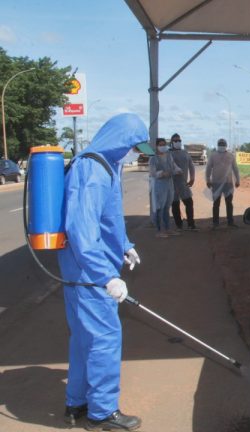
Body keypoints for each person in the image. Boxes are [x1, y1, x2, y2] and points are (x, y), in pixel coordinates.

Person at [58, 113, 152, 430]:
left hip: (83, 271)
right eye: (134, 148)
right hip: (88, 273)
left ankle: (76, 403)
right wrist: (106, 276)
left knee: (84, 340)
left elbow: (108, 218)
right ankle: (102, 413)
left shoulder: (107, 165)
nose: (135, 154)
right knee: (105, 340)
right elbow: (81, 230)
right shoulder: (93, 170)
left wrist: (124, 245)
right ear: (120, 141)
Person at [149, 137, 182, 238]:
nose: (163, 146)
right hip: (159, 186)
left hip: (169, 184)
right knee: (160, 208)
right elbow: (153, 173)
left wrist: (178, 170)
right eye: (161, 145)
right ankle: (159, 231)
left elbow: (174, 166)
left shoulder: (168, 156)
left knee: (167, 207)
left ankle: (167, 229)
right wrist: (162, 173)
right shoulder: (153, 158)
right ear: (156, 146)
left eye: (164, 144)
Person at [205, 138, 240, 229]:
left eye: (223, 144)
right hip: (216, 183)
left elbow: (235, 169)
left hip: (228, 183)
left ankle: (230, 221)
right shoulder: (213, 156)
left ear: (226, 145)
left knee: (229, 203)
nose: (222, 146)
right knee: (216, 204)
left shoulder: (231, 156)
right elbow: (208, 168)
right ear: (218, 145)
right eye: (220, 144)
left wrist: (238, 180)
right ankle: (215, 222)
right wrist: (208, 180)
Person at [168, 133, 198, 231]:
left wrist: (192, 178)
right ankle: (179, 225)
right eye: (175, 141)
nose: (178, 142)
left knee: (189, 202)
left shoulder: (185, 153)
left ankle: (191, 224)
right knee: (175, 205)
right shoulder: (168, 154)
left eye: (179, 140)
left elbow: (191, 166)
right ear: (172, 142)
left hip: (183, 183)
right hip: (172, 184)